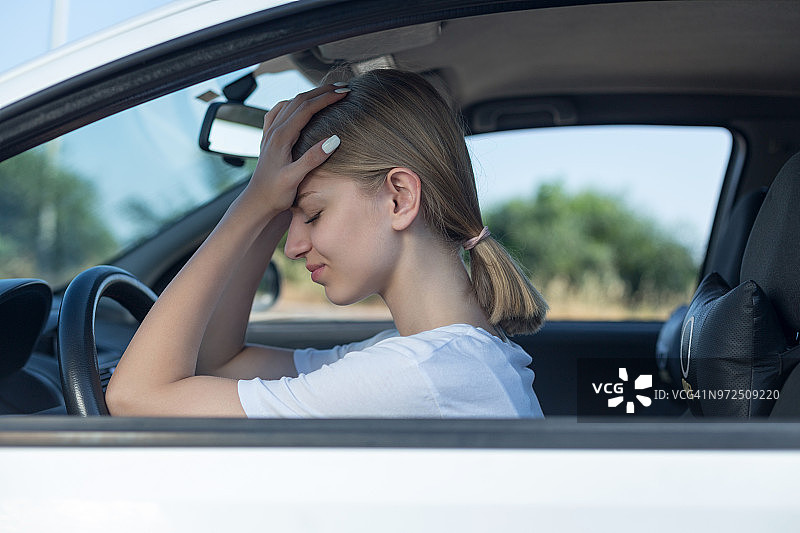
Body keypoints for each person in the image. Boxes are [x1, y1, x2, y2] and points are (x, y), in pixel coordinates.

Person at [105, 68, 548, 418]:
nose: (293, 246)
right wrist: (270, 201)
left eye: (313, 214)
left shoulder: (415, 374)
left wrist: (253, 203)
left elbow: (133, 397)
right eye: (288, 217)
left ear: (399, 198)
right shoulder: (434, 357)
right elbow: (221, 363)